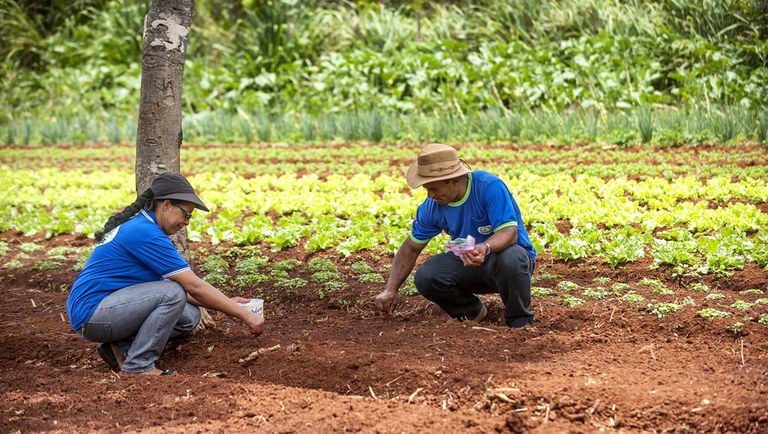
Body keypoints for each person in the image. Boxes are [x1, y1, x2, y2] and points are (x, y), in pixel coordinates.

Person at [67, 172, 264, 375]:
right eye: (186, 214)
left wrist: (228, 303)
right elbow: (191, 286)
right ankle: (139, 366)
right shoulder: (145, 232)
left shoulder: (146, 228)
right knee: (172, 293)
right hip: (93, 315)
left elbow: (184, 291)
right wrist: (243, 315)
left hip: (107, 309)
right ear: (167, 205)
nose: (186, 222)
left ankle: (120, 346)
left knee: (189, 316)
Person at [375, 144, 537, 328]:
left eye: (434, 189)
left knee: (512, 258)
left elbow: (510, 233)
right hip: (469, 264)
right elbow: (411, 248)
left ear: (454, 181)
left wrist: (484, 248)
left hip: (508, 264)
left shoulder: (489, 187)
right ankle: (471, 312)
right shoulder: (432, 206)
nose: (430, 195)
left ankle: (519, 321)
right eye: (427, 189)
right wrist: (390, 289)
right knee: (427, 275)